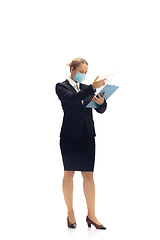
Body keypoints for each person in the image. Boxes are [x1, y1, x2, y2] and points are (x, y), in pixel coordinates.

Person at [55, 57, 107, 230]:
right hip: (69, 136)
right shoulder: (61, 86)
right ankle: (70, 214)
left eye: (85, 73)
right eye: (81, 72)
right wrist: (92, 88)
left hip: (87, 135)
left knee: (89, 176)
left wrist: (101, 103)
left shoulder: (87, 89)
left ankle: (91, 215)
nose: (83, 75)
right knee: (69, 174)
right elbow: (73, 101)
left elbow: (99, 109)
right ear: (72, 69)